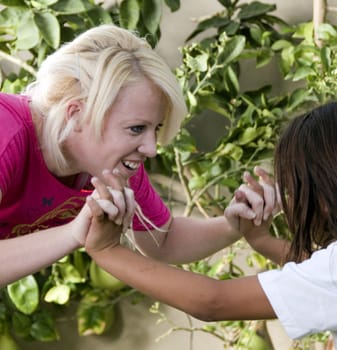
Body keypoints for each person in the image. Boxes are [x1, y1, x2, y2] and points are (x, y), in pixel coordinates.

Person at [84, 99, 337, 349]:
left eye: (294, 183)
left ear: (323, 191)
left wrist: (107, 252)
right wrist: (261, 240)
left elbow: (212, 302)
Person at [0, 24, 252, 287]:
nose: (151, 149)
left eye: (156, 129)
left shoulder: (110, 165)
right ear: (75, 113)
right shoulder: (5, 130)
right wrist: (72, 234)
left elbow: (163, 240)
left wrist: (233, 224)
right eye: (136, 129)